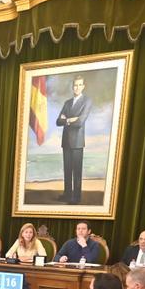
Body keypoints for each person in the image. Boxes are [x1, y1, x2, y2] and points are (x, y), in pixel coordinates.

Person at [56, 74, 91, 204]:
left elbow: (80, 122)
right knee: (67, 170)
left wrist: (67, 119)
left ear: (83, 86)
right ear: (72, 87)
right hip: (66, 141)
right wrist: (71, 119)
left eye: (79, 85)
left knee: (77, 171)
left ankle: (76, 197)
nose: (77, 87)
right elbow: (58, 121)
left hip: (77, 142)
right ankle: (67, 194)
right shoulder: (67, 103)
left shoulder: (87, 101)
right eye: (75, 85)